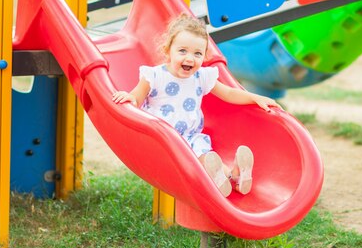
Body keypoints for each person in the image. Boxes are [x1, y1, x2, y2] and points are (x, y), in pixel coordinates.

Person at [112, 14, 280, 197]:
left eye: (197, 53)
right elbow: (137, 97)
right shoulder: (154, 75)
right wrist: (128, 98)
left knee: (205, 156)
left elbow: (229, 93)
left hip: (190, 136)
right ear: (168, 51)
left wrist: (255, 97)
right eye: (182, 51)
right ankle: (220, 179)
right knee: (198, 159)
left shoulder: (201, 76)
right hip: (161, 137)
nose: (190, 58)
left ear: (204, 56)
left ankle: (234, 177)